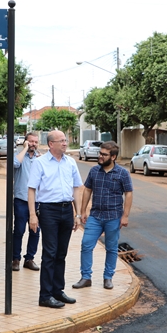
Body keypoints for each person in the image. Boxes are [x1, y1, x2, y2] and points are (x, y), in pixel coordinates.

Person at [28, 130, 83, 308]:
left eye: (66, 140)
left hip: (67, 210)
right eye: (61, 141)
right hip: (48, 210)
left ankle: (58, 291)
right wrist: (32, 215)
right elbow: (31, 190)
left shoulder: (71, 162)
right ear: (51, 144)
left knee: (61, 253)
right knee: (49, 253)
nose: (65, 143)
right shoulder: (39, 163)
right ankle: (45, 295)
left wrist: (77, 214)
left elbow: (76, 189)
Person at [72, 141, 133, 290]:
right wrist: (83, 211)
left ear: (113, 157)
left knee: (111, 248)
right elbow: (87, 190)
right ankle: (86, 277)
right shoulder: (94, 171)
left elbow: (128, 193)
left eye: (104, 154)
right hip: (95, 216)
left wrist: (125, 216)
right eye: (100, 153)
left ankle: (108, 278)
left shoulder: (122, 173)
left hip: (113, 216)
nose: (100, 156)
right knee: (86, 244)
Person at [12, 132, 41, 271]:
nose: (33, 144)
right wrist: (23, 149)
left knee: (35, 231)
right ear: (25, 142)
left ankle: (29, 259)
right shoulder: (18, 155)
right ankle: (15, 259)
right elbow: (15, 164)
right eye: (30, 141)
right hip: (21, 200)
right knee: (19, 230)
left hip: (37, 201)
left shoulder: (40, 158)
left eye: (35, 142)